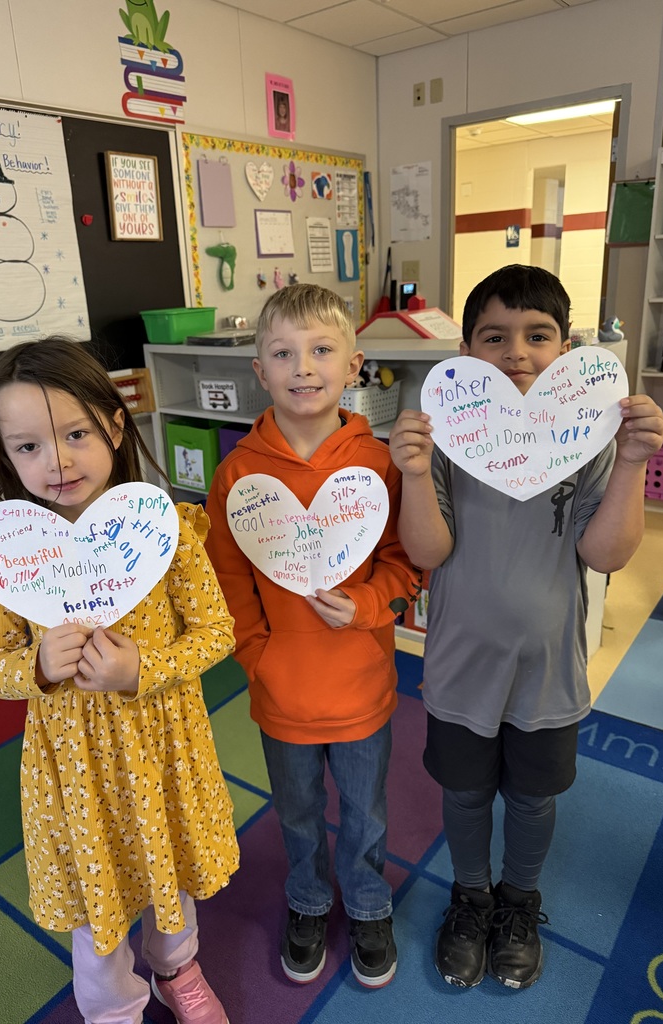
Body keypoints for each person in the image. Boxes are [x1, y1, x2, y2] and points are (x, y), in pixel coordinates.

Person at [389, 264, 663, 991]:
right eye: (495, 337)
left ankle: (518, 901)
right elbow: (426, 552)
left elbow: (605, 553)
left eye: (538, 335)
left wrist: (634, 459)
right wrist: (415, 473)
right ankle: (471, 896)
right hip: (457, 665)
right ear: (466, 351)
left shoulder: (589, 436)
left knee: (534, 797)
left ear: (565, 346)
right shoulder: (447, 438)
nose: (517, 352)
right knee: (466, 794)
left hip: (547, 668)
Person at [0, 336, 238, 1024]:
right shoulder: (15, 560)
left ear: (115, 428)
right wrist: (36, 666)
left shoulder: (169, 531)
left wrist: (139, 668)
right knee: (97, 902)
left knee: (171, 873)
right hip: (76, 769)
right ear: (5, 454)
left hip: (164, 751)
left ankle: (179, 971)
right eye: (26, 447)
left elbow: (216, 634)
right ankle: (113, 1007)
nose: (55, 461)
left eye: (76, 434)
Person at [204, 284, 421, 989]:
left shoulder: (379, 464)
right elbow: (228, 583)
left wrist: (362, 607)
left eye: (322, 350)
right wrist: (260, 659)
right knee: (296, 814)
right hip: (282, 694)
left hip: (361, 687)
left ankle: (366, 903)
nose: (304, 366)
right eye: (283, 353)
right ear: (260, 371)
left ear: (354, 365)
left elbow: (402, 565)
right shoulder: (238, 474)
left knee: (365, 814)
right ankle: (306, 900)